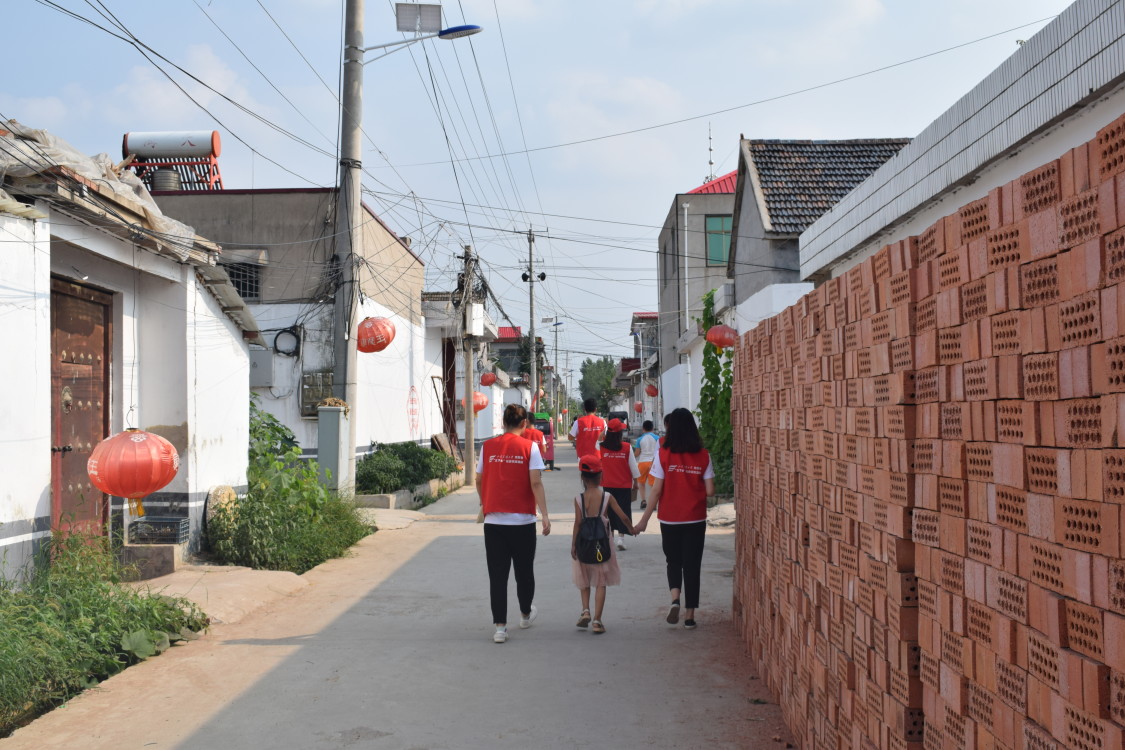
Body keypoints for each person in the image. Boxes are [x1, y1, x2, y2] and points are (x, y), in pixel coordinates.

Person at [477, 403, 551, 644]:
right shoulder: (530, 447)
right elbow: (536, 483)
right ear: (524, 424)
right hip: (523, 521)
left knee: (497, 576)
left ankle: (500, 628)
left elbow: (479, 479)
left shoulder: (487, 447)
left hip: (494, 522)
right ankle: (525, 615)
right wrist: (546, 515)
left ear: (502, 423)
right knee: (524, 571)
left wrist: (484, 501)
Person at [634, 408, 714, 630]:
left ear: (670, 428)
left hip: (670, 519)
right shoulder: (704, 455)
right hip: (695, 519)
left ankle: (675, 599)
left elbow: (657, 491)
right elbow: (709, 491)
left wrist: (643, 521)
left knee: (674, 561)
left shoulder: (663, 455)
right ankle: (689, 616)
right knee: (692, 565)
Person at [571, 454, 636, 635]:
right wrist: (632, 529)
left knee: (583, 578)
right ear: (601, 476)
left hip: (583, 542)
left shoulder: (578, 499)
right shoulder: (607, 497)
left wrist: (573, 545)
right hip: (602, 544)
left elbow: (577, 523)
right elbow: (622, 516)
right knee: (601, 581)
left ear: (582, 477)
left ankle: (585, 610)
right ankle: (597, 621)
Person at [599, 418, 640, 551]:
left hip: (608, 484)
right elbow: (633, 467)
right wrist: (636, 483)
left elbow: (597, 440)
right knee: (623, 511)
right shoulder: (627, 447)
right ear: (620, 433)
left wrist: (602, 434)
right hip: (624, 485)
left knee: (609, 512)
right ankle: (621, 539)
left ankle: (610, 538)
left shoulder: (601, 447)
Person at [633, 419, 660, 509]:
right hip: (653, 463)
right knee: (653, 484)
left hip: (642, 462)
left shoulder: (640, 439)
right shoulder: (657, 438)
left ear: (643, 429)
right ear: (652, 428)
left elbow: (637, 453)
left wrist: (631, 457)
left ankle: (643, 501)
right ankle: (654, 503)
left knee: (641, 483)